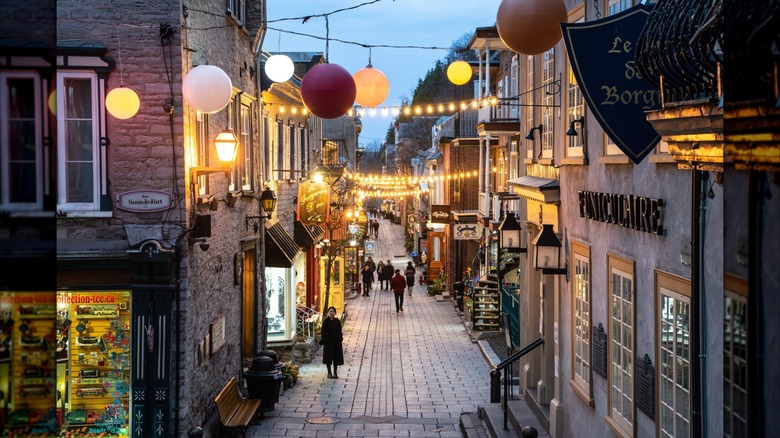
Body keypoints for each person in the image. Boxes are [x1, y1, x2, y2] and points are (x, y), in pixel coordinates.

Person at [320, 306, 344, 378]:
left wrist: (340, 338)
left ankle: (335, 372)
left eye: (333, 311)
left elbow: (340, 330)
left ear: (335, 313)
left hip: (336, 342)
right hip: (328, 342)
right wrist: (325, 339)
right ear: (328, 312)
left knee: (336, 358)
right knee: (328, 358)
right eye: (330, 311)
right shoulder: (325, 321)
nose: (331, 313)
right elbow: (323, 332)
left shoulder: (337, 321)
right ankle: (329, 372)